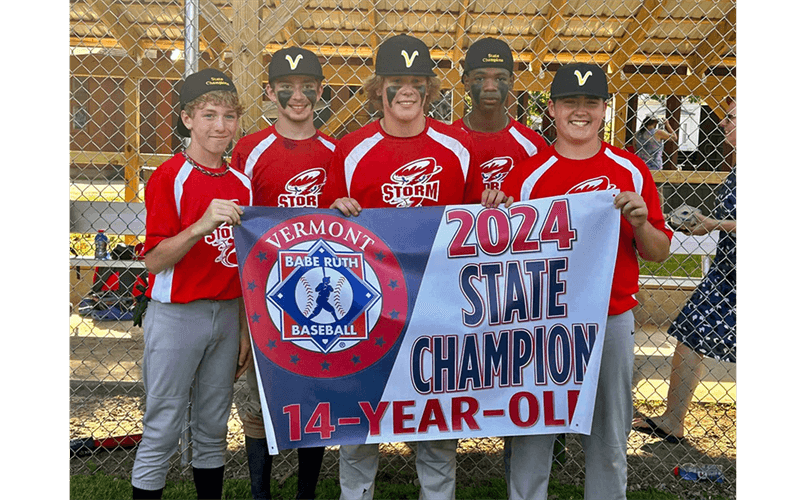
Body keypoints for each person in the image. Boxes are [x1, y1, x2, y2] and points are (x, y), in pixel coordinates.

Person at [321, 33, 506, 500]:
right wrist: (335, 211)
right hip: (369, 305)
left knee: (436, 418)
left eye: (416, 81)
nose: (406, 90)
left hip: (437, 303)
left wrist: (492, 207)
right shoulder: (351, 148)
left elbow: (473, 227)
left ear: (429, 89)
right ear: (378, 88)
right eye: (396, 81)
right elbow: (324, 233)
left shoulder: (457, 146)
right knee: (360, 417)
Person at [500, 62, 673, 500]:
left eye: (591, 103)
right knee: (532, 435)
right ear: (552, 109)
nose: (581, 111)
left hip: (610, 317)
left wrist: (641, 222)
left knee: (609, 439)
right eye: (570, 102)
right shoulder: (527, 176)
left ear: (604, 110)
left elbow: (658, 251)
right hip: (541, 322)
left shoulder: (630, 169)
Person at [130, 68, 253, 500]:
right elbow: (153, 261)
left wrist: (243, 327)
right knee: (162, 427)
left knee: (213, 427)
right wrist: (201, 225)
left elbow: (244, 266)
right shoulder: (170, 176)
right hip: (178, 316)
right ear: (187, 119)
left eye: (229, 116)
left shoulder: (242, 183)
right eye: (209, 115)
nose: (221, 126)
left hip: (227, 315)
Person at [230, 46, 336, 500]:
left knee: (314, 394)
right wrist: (243, 318)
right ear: (270, 92)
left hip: (324, 296)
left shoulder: (336, 151)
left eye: (307, 86)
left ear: (320, 91)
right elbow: (238, 234)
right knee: (260, 398)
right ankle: (260, 494)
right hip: (265, 294)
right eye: (286, 87)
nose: (298, 96)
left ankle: (306, 493)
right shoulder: (250, 150)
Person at [632, 99, 737, 444]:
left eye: (731, 118)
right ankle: (672, 419)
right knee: (690, 330)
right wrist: (704, 224)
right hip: (726, 273)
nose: (723, 123)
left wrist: (713, 224)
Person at [452, 37, 548, 191]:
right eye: (480, 78)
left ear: (511, 81)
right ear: (466, 82)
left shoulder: (533, 146)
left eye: (500, 78)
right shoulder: (449, 143)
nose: (490, 87)